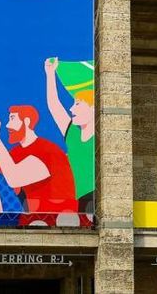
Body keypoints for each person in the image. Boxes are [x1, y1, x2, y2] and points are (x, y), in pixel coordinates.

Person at [0, 106, 77, 218]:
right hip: (30, 216)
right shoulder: (15, 152)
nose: (7, 125)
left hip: (58, 216)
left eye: (12, 119)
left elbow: (13, 178)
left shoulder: (45, 150)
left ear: (26, 121)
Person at [44, 57, 95, 213]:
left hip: (95, 196)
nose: (71, 109)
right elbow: (54, 106)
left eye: (77, 104)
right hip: (79, 200)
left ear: (93, 108)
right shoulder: (73, 135)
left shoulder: (100, 139)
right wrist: (50, 74)